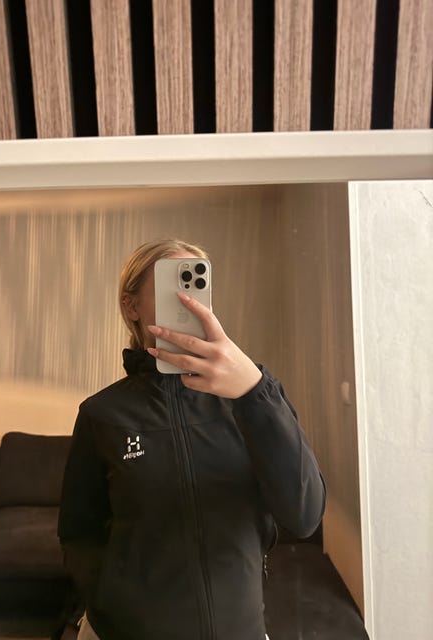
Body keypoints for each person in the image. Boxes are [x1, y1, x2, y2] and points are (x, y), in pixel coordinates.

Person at [58, 239, 326, 640]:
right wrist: (110, 604)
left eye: (197, 287)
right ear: (131, 306)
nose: (188, 302)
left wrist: (255, 391)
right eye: (173, 287)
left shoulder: (251, 398)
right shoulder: (103, 414)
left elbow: (304, 515)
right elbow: (79, 532)